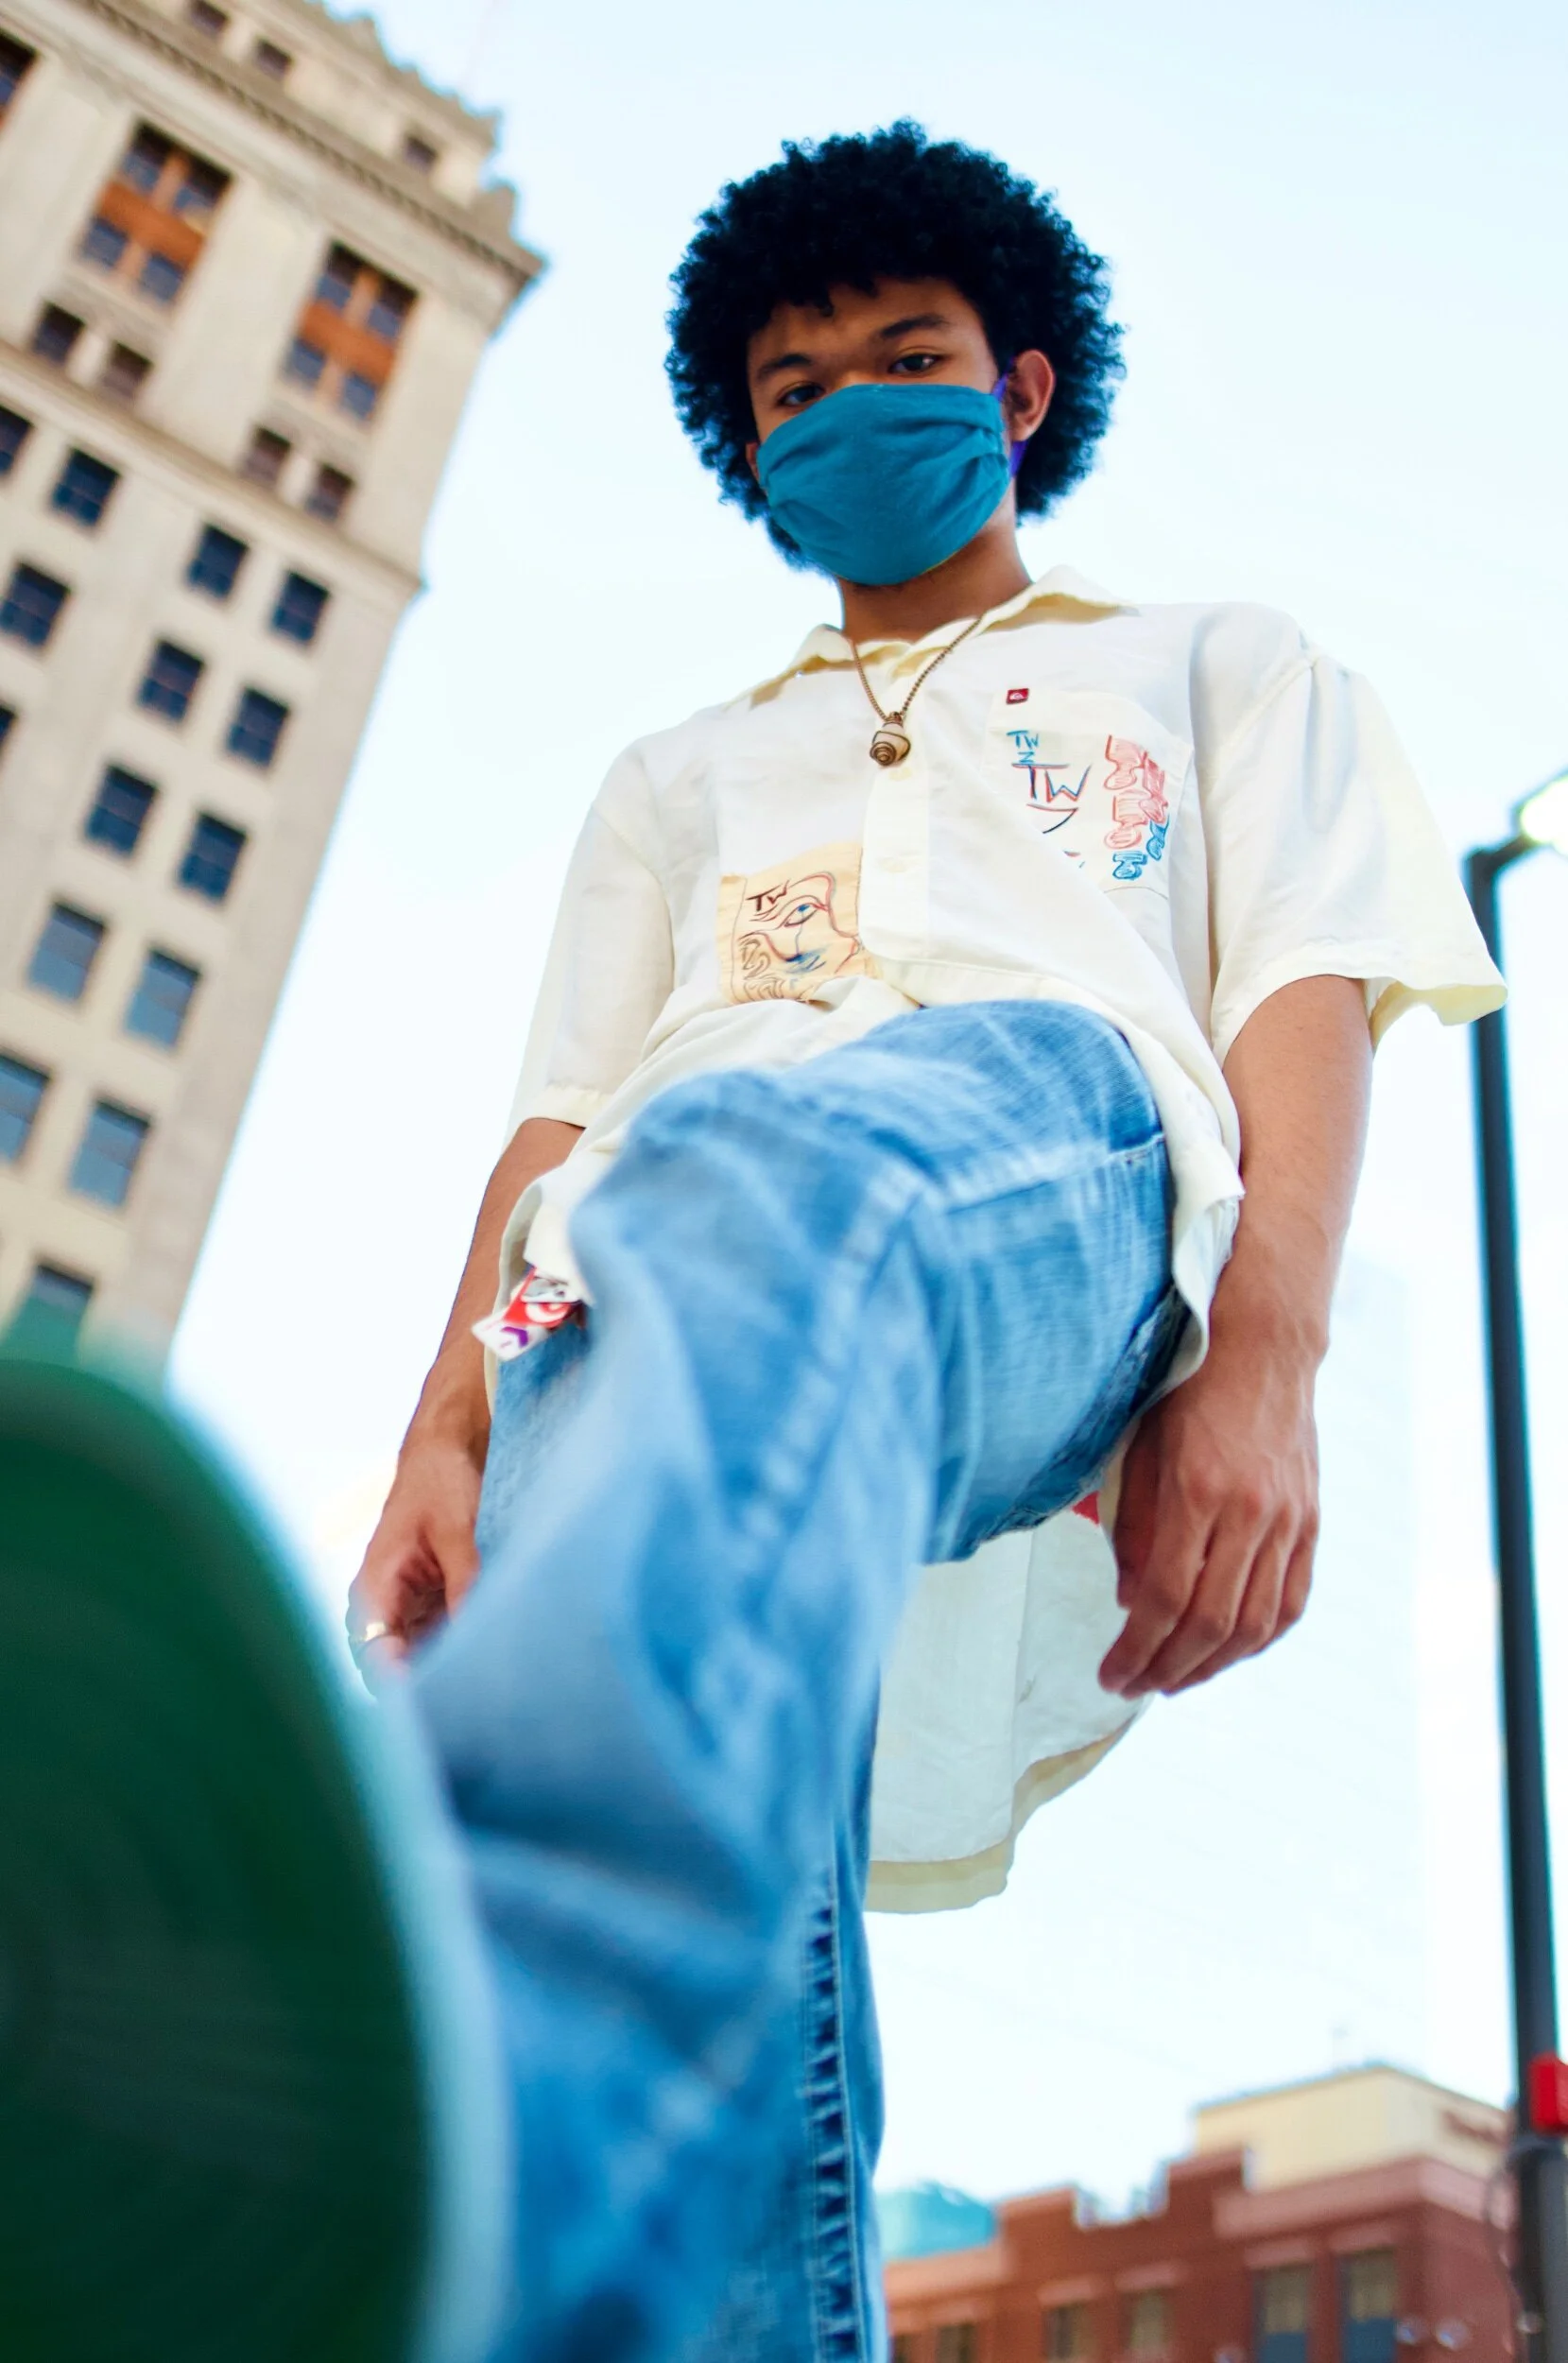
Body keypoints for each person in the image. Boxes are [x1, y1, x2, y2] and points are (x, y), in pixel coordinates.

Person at [8, 123, 1502, 2363]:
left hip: (1047, 1162)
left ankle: (460, 2072)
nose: (845, 403)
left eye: (902, 355)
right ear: (748, 449)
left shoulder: (1212, 663)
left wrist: (1263, 1351)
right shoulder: (681, 774)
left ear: (1014, 388)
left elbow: (1308, 970)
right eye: (792, 386)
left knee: (779, 1178)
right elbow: (561, 1130)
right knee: (734, 1767)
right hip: (652, 1277)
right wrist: (453, 1421)